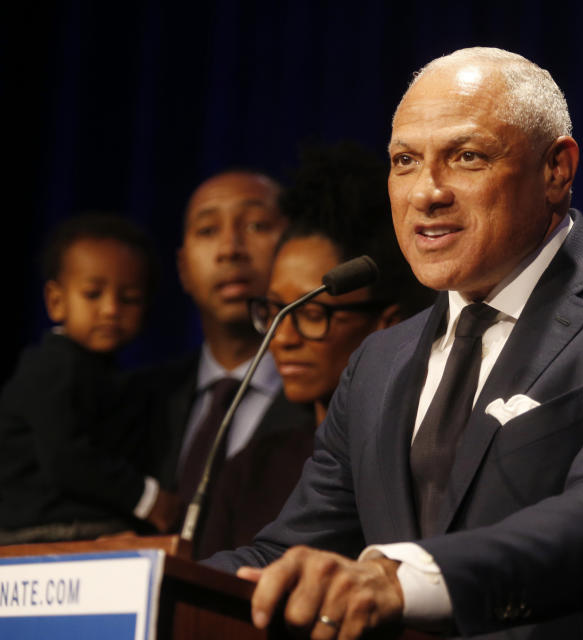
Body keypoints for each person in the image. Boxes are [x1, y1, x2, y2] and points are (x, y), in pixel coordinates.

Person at [208, 47, 583, 640]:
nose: (426, 193)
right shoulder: (378, 362)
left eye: (466, 157)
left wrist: (402, 578)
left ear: (556, 170)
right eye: (405, 161)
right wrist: (135, 581)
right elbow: (289, 554)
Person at [198, 145, 434, 551]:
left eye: (311, 313)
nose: (283, 338)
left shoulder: (422, 461)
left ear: (387, 324)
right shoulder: (254, 466)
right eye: (274, 309)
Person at [148, 170, 315, 559]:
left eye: (257, 225)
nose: (230, 249)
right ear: (183, 268)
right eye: (207, 231)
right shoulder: (138, 402)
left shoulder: (333, 400)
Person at [0, 213, 180, 544]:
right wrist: (149, 499)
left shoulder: (102, 371)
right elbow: (67, 457)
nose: (111, 309)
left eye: (129, 299)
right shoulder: (52, 366)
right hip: (39, 529)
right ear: (56, 302)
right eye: (93, 294)